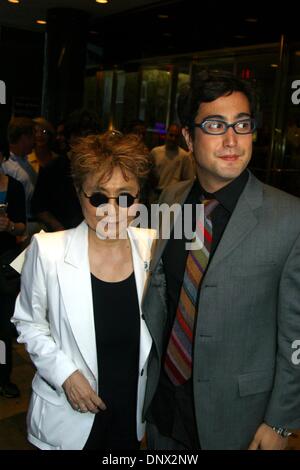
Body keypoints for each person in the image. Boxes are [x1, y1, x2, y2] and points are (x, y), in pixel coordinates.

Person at [142, 70, 300, 450]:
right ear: (186, 137)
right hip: (164, 408)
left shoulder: (290, 218)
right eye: (215, 125)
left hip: (239, 419)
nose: (232, 140)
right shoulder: (170, 200)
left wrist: (280, 423)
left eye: (242, 125)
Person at [12, 132, 156, 450]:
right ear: (80, 195)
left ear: (139, 199)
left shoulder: (154, 248)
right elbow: (28, 322)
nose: (112, 210)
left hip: (130, 417)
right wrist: (65, 374)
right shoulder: (47, 251)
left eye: (125, 197)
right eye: (99, 198)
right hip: (67, 416)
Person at [0, 139, 26, 398]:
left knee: (2, 326)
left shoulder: (14, 187)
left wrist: (8, 226)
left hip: (5, 262)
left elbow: (22, 227)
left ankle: (2, 376)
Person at [150, 123, 195, 199]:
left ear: (179, 138)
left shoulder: (184, 156)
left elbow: (189, 180)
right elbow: (149, 175)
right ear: (166, 134)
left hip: (174, 197)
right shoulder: (155, 152)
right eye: (171, 135)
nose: (173, 139)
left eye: (176, 136)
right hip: (156, 195)